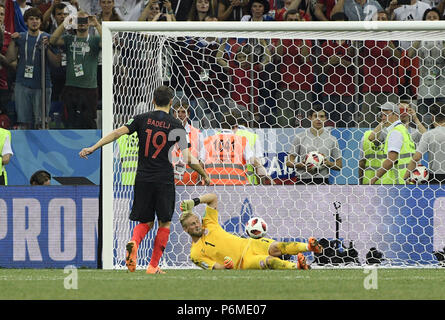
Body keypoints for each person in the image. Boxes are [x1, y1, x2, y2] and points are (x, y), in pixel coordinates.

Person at [79, 85, 210, 274]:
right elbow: (189, 158)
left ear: (153, 101)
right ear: (171, 103)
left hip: (142, 178)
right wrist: (204, 174)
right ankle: (153, 266)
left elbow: (117, 133)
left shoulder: (141, 119)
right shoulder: (176, 125)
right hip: (164, 178)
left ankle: (134, 242)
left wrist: (93, 147)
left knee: (146, 221)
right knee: (164, 222)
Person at [179, 192, 323, 270]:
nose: (197, 225)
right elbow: (213, 267)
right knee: (270, 262)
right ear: (185, 229)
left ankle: (309, 247)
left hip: (250, 244)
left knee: (277, 248)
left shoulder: (208, 223)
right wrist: (226, 267)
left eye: (197, 221)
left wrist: (194, 202)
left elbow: (213, 198)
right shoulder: (195, 253)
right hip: (243, 262)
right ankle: (298, 266)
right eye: (192, 224)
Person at [5, 7, 59, 129]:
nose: (34, 21)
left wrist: (48, 47)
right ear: (25, 22)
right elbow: (9, 59)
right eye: (31, 19)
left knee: (42, 123)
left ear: (41, 21)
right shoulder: (20, 37)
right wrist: (13, 42)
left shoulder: (48, 37)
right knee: (23, 122)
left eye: (37, 19)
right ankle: (25, 147)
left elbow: (56, 63)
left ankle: (44, 147)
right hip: (22, 84)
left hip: (43, 85)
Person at [50, 11, 102, 129]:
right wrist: (65, 24)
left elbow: (107, 43)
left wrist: (97, 24)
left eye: (84, 20)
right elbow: (52, 40)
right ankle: (71, 146)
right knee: (70, 120)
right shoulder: (69, 39)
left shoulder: (94, 40)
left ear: (88, 22)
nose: (82, 23)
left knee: (89, 121)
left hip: (90, 88)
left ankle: (91, 146)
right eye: (79, 21)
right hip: (71, 87)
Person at [203, 112, 272, 185]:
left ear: (221, 125)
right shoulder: (242, 140)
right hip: (237, 185)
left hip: (211, 185)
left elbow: (200, 163)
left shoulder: (208, 140)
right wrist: (268, 177)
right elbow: (255, 162)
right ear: (236, 126)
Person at [286, 106, 342, 184]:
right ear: (310, 118)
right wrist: (301, 165)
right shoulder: (300, 137)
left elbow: (339, 165)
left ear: (325, 119)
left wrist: (328, 163)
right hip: (302, 180)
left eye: (321, 116)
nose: (318, 119)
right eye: (315, 116)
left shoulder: (332, 139)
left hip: (322, 180)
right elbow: (288, 162)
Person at [369, 102, 416, 184]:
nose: (383, 118)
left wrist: (373, 180)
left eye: (386, 115)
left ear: (396, 115)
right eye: (382, 115)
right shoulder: (402, 130)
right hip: (405, 180)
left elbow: (390, 160)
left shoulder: (395, 132)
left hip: (397, 182)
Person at [403, 103, 445, 184]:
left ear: (433, 118)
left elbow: (416, 158)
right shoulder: (428, 135)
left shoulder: (429, 135)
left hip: (436, 178)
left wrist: (405, 177)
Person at [171, 101, 206, 186]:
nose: (180, 114)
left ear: (188, 114)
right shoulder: (167, 132)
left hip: (192, 182)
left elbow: (202, 157)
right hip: (171, 181)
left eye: (183, 112)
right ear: (173, 114)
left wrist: (200, 174)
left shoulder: (197, 133)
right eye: (177, 112)